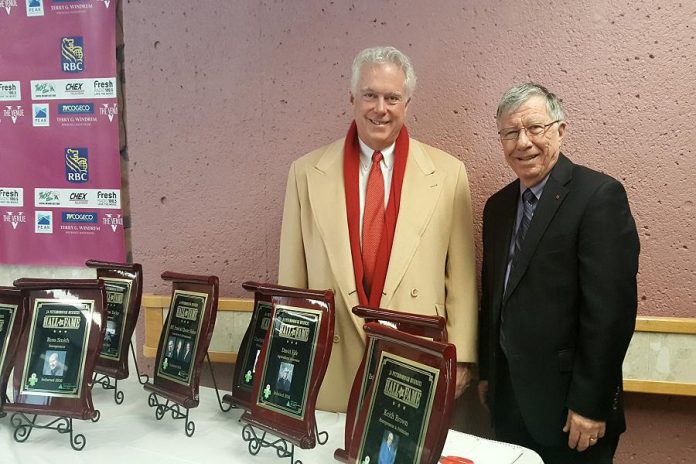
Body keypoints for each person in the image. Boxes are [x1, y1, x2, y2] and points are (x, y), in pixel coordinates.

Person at [278, 46, 477, 412]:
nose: (380, 108)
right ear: (352, 98)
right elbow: (292, 282)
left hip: (414, 360)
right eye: (370, 95)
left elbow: (462, 277)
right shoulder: (304, 174)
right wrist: (289, 354)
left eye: (392, 97)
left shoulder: (449, 175)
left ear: (407, 103)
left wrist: (462, 357)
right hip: (330, 363)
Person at [478, 83, 640, 463]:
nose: (523, 143)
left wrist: (591, 403)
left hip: (572, 413)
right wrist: (488, 373)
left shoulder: (598, 196)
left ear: (560, 130)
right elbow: (493, 297)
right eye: (510, 133)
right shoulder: (497, 208)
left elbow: (610, 314)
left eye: (535, 128)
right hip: (509, 404)